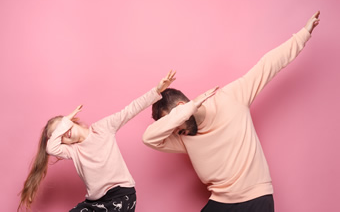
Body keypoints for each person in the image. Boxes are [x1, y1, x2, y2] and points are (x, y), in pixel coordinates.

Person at [143, 11, 320, 212]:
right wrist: (184, 113)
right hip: (221, 202)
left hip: (256, 198)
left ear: (181, 107)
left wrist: (303, 34)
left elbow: (268, 66)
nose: (174, 130)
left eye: (174, 121)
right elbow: (148, 139)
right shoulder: (183, 136)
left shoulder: (231, 97)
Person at [18, 70, 176, 212]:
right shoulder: (72, 150)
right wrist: (65, 121)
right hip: (95, 202)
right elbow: (50, 148)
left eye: (63, 125)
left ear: (75, 121)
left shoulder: (102, 128)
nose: (64, 132)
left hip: (121, 195)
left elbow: (130, 110)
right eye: (59, 134)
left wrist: (156, 90)